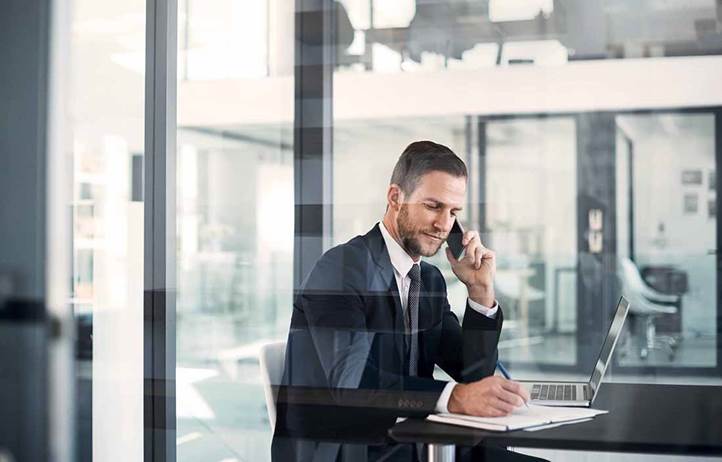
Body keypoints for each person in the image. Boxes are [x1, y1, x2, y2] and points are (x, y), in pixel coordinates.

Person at [272, 141, 535, 462]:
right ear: (395, 197)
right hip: (348, 449)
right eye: (433, 206)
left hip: (411, 441)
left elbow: (472, 374)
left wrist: (481, 295)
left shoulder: (431, 283)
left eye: (453, 212)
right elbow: (351, 384)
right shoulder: (341, 269)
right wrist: (453, 398)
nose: (444, 225)